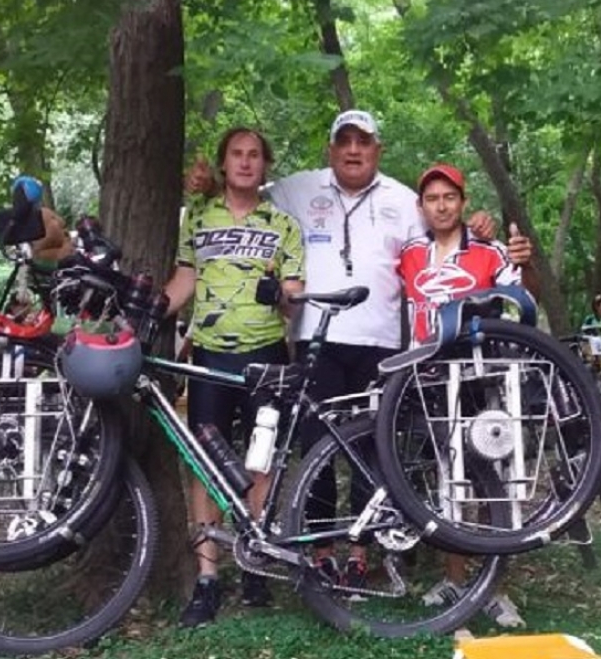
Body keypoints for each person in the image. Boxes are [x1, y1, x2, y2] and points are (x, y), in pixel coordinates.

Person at [187, 110, 531, 593]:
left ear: (377, 150)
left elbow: (444, 228)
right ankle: (322, 553)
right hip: (317, 340)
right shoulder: (299, 188)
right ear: (331, 149)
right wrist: (202, 187)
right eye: (344, 141)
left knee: (371, 449)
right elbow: (242, 190)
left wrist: (483, 226)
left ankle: (360, 551)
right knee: (316, 449)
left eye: (363, 142)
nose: (353, 150)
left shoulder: (405, 200)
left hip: (381, 343)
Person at [165, 127, 305, 627]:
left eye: (254, 156)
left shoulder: (283, 224)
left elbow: (294, 296)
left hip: (266, 354)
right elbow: (185, 279)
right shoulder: (198, 217)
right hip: (208, 356)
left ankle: (254, 559)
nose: (245, 163)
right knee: (206, 464)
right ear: (224, 164)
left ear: (265, 166)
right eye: (236, 155)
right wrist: (154, 307)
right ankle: (207, 577)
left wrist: (282, 293)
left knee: (259, 462)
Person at [397, 162, 525, 627]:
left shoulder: (488, 251)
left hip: (481, 375)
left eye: (449, 197)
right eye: (432, 198)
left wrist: (519, 257)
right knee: (446, 479)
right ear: (421, 207)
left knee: (496, 477)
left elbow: (516, 299)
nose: (441, 205)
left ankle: (496, 586)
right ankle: (454, 576)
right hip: (427, 377)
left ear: (463, 202)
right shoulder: (409, 253)